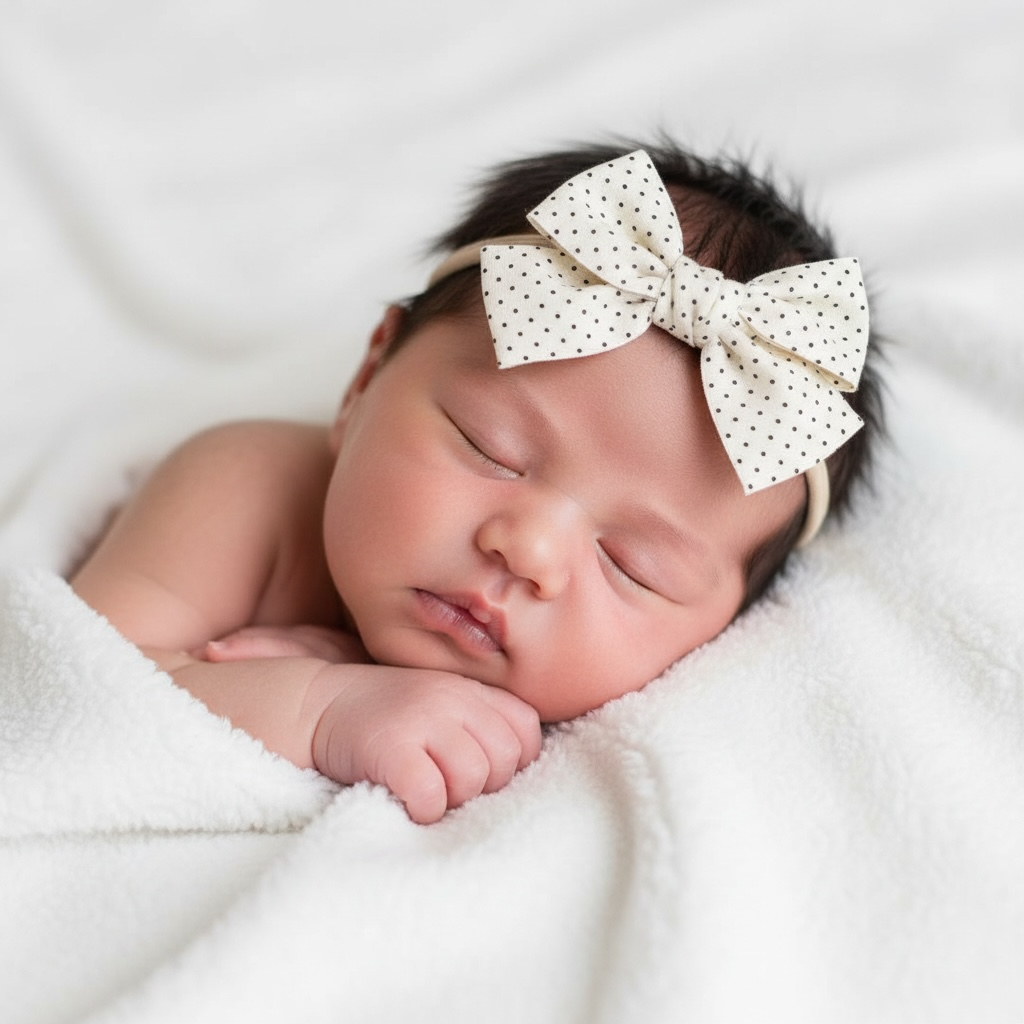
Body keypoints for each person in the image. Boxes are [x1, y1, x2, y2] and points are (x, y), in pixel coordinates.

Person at [71, 141, 885, 824]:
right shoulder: (239, 488)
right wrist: (321, 707)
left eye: (633, 565)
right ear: (364, 380)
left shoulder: (620, 775)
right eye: (488, 448)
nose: (529, 550)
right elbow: (79, 695)